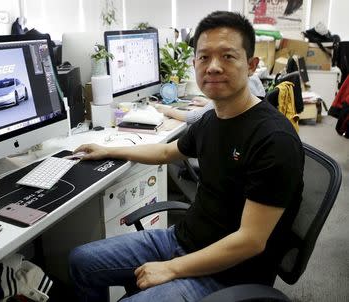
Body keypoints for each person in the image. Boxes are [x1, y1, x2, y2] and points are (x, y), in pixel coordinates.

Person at [69, 11, 304, 302]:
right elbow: (168, 151)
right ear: (194, 64)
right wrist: (109, 150)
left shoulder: (274, 140)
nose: (213, 67)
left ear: (252, 65)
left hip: (228, 273)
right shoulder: (211, 118)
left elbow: (250, 242)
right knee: (81, 260)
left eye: (228, 56)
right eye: (204, 57)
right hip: (180, 239)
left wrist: (172, 269)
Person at [156, 74, 266, 124]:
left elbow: (193, 118)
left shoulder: (233, 86)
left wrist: (166, 110)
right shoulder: (253, 79)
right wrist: (209, 103)